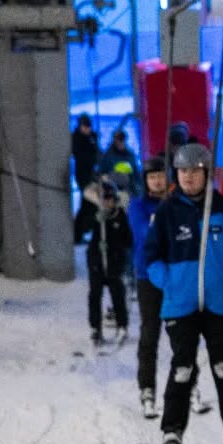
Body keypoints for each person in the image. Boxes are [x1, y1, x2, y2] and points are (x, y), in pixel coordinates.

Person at [143, 142, 223, 444]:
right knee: (183, 367)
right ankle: (172, 430)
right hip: (180, 305)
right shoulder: (167, 211)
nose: (189, 177)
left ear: (206, 173)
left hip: (218, 305)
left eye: (195, 171)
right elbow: (151, 258)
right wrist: (171, 285)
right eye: (183, 171)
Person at [128, 154, 169, 418]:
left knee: (183, 336)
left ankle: (189, 386)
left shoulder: (177, 202)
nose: (156, 181)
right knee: (150, 332)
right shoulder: (138, 205)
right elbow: (144, 232)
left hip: (175, 274)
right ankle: (147, 389)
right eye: (152, 177)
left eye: (160, 176)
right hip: (147, 275)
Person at [84, 176, 132, 347]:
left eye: (110, 199)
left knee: (117, 294)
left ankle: (122, 325)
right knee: (95, 295)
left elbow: (128, 240)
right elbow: (83, 228)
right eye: (104, 199)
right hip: (97, 263)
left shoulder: (120, 217)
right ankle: (95, 328)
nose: (107, 203)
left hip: (113, 263)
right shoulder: (96, 215)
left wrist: (114, 244)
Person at [72, 113, 101, 243]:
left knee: (89, 205)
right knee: (87, 204)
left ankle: (82, 232)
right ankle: (79, 233)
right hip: (84, 176)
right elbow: (81, 156)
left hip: (92, 175)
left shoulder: (91, 138)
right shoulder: (78, 139)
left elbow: (97, 153)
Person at [99, 128, 141, 195]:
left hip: (131, 192)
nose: (121, 142)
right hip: (114, 193)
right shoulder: (107, 156)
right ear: (114, 141)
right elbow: (102, 174)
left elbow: (136, 174)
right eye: (118, 139)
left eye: (122, 139)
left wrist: (139, 189)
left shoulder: (130, 155)